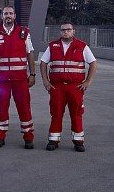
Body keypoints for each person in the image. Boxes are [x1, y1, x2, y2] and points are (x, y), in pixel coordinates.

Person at [39, 23, 97, 152]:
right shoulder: (53, 46)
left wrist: (88, 81)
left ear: (73, 31)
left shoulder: (82, 46)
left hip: (75, 87)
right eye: (63, 30)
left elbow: (93, 63)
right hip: (57, 87)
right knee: (56, 113)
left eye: (68, 30)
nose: (65, 32)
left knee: (76, 113)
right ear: (60, 32)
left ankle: (78, 141)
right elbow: (43, 63)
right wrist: (45, 81)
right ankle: (53, 140)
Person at [0, 6, 36, 149]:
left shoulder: (24, 33)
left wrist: (32, 74)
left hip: (20, 80)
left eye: (11, 13)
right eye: (5, 13)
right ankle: (0, 137)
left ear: (15, 16)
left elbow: (30, 53)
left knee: (24, 108)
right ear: (2, 16)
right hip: (1, 80)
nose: (8, 15)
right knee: (1, 108)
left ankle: (28, 138)